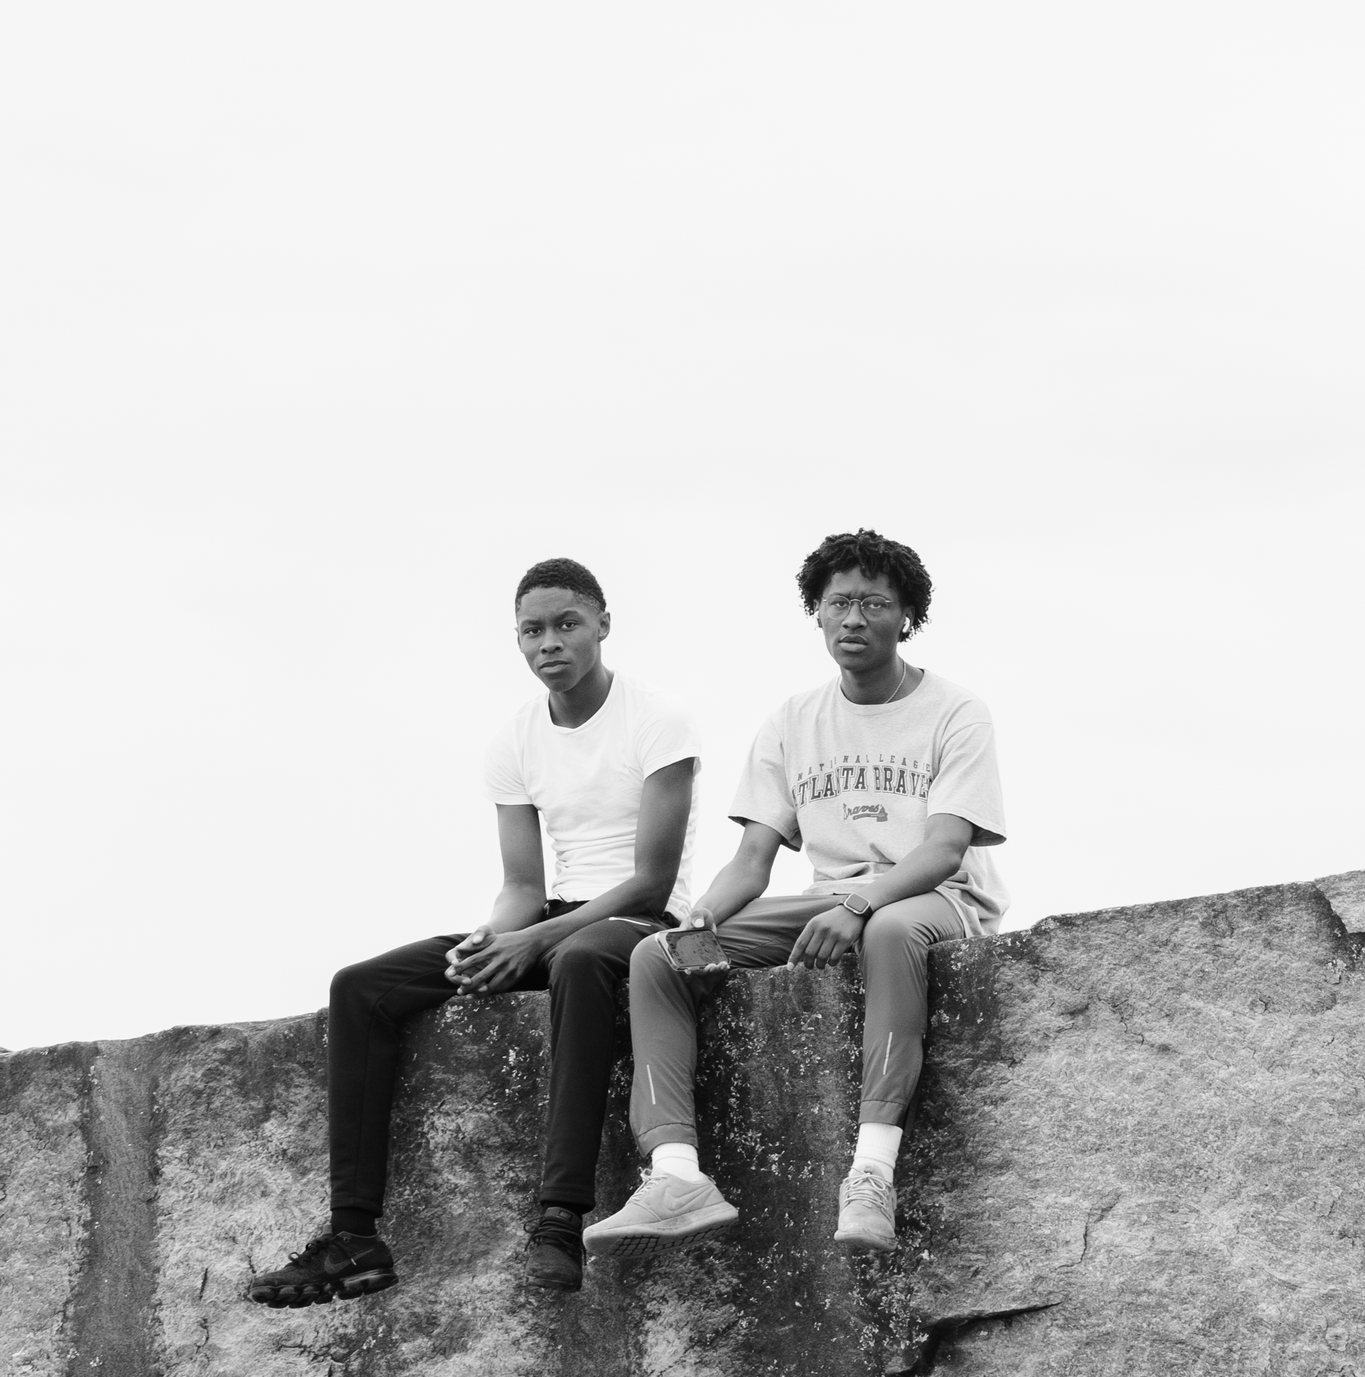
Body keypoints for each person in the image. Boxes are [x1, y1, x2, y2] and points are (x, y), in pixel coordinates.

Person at [249, 556, 705, 1304]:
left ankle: (559, 1220)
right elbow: (523, 887)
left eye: (566, 624)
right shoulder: (516, 739)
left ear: (602, 626)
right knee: (361, 987)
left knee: (581, 959)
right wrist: (490, 938)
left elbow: (651, 882)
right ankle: (354, 1237)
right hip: (555, 919)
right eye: (531, 630)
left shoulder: (659, 718)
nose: (548, 642)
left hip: (639, 925)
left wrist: (539, 941)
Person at [583, 527, 1007, 1261]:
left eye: (874, 603)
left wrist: (858, 905)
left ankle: (871, 1173)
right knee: (657, 954)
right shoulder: (790, 722)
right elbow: (753, 859)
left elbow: (942, 850)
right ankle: (677, 1177)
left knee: (886, 931)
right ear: (815, 612)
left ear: (906, 616)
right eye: (838, 602)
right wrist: (707, 914)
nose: (853, 619)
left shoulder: (954, 711)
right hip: (829, 900)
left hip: (938, 899)